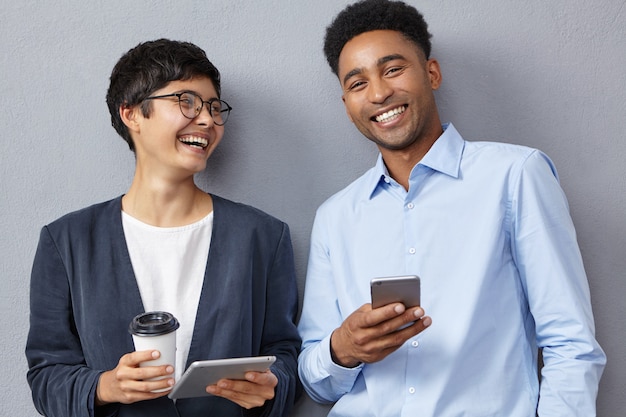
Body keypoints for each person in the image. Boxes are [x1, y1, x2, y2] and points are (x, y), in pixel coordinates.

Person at [297, 1, 606, 416]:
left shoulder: (515, 175)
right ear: (347, 104)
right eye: (357, 84)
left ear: (432, 73)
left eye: (392, 69)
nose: (378, 93)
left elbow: (571, 344)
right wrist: (342, 349)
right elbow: (316, 383)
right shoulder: (334, 218)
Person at [26, 39, 301, 417]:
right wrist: (104, 387)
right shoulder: (67, 242)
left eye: (213, 107)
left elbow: (285, 355)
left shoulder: (263, 237)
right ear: (132, 113)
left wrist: (272, 388)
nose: (206, 120)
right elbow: (46, 375)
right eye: (186, 101)